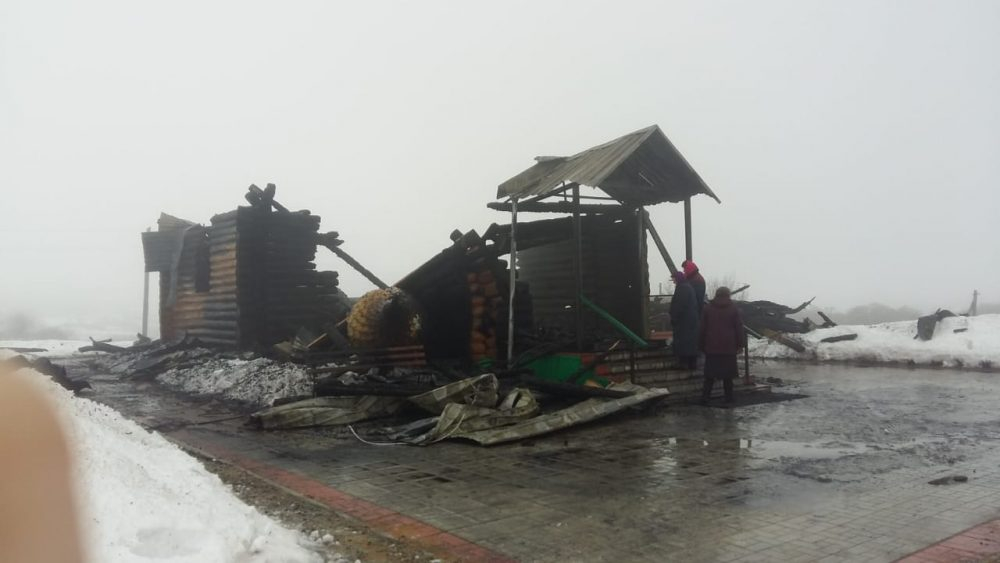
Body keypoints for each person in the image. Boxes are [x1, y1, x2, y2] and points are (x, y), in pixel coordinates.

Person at [699, 286, 746, 404]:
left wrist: (700, 344)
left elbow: (702, 328)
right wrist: (740, 344)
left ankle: (705, 397)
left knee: (709, 376)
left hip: (711, 347)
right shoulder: (734, 309)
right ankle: (729, 398)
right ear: (728, 295)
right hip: (728, 348)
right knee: (728, 376)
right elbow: (739, 328)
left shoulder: (708, 309)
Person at [669, 270, 699, 370]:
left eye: (673, 279)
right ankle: (692, 363)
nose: (673, 281)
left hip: (683, 321)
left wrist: (674, 317)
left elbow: (679, 305)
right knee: (690, 342)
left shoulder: (682, 289)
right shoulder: (688, 287)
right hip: (690, 320)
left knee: (683, 341)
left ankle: (683, 363)